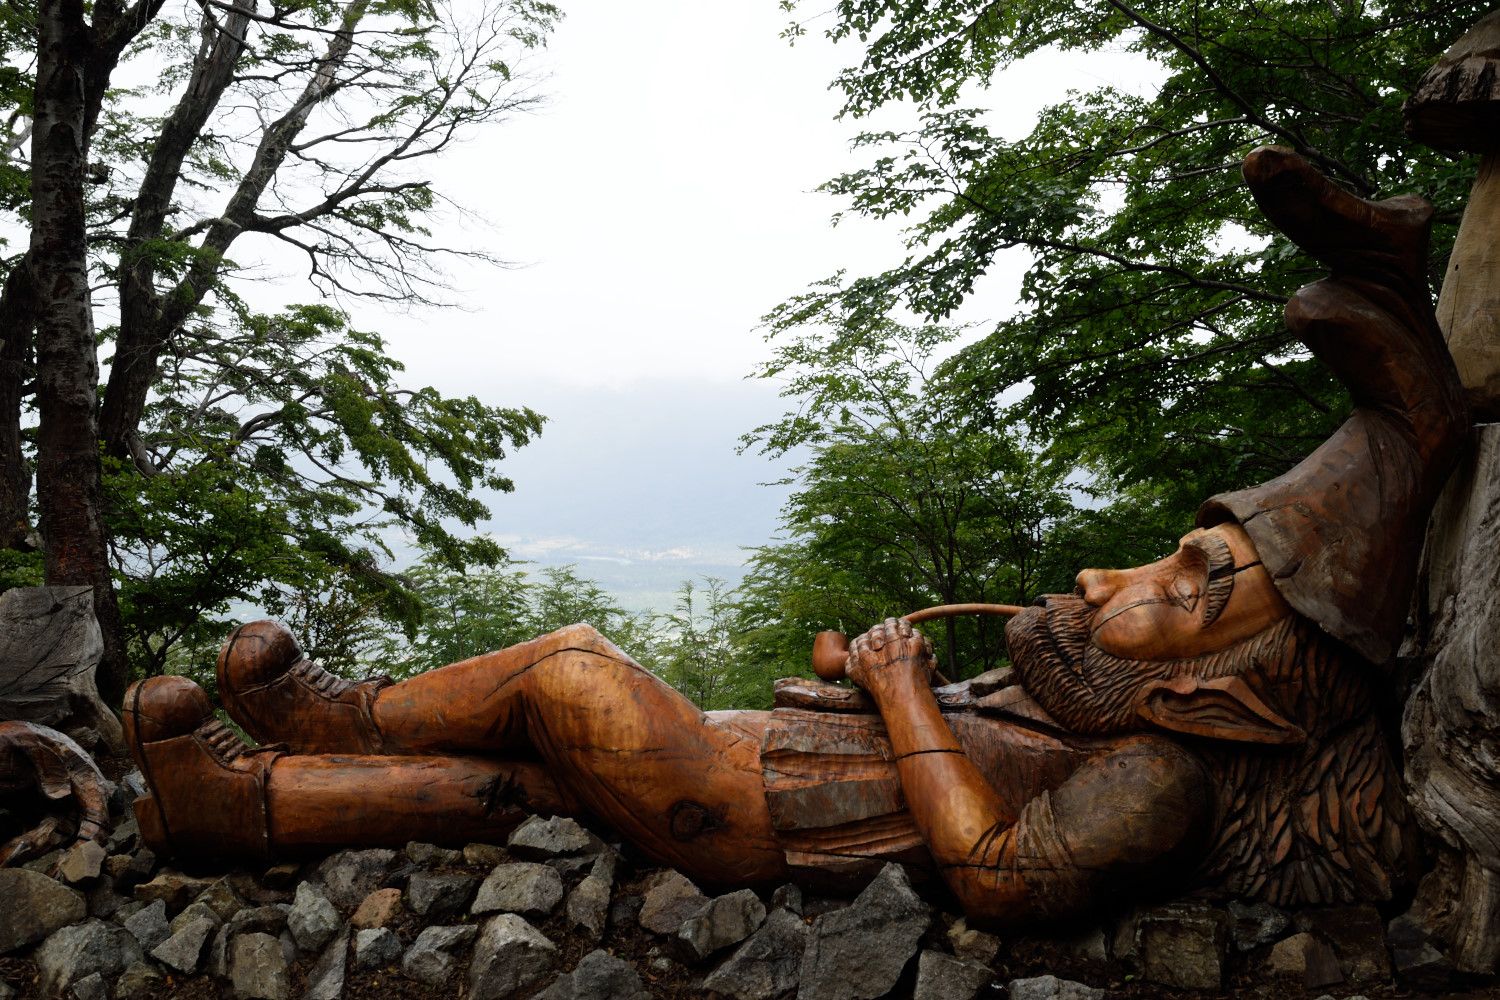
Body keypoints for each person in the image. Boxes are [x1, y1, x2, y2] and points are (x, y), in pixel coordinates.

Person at [123, 147, 1465, 924]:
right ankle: (240, 805)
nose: (1109, 577)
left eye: (1182, 588)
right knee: (505, 788)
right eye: (1170, 555)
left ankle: (345, 716)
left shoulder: (1165, 780)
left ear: (1229, 699)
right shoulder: (1112, 716)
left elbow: (998, 876)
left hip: (757, 819)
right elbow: (977, 751)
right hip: (748, 776)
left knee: (570, 672)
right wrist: (867, 684)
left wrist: (892, 690)